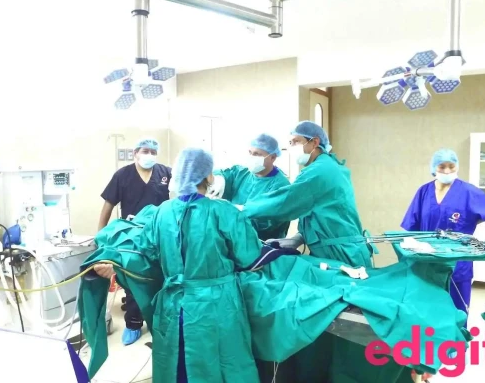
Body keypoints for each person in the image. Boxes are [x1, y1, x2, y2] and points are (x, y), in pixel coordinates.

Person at [95, 148, 262, 383]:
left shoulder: (161, 212)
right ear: (208, 176)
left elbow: (144, 255)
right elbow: (249, 255)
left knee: (176, 365)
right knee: (222, 363)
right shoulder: (224, 212)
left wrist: (116, 265)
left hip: (174, 307)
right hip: (216, 306)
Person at [239, 121, 371, 268]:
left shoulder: (319, 171)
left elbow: (286, 202)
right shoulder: (325, 166)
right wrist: (299, 238)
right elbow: (321, 213)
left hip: (342, 252)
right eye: (290, 143)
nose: (292, 147)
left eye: (296, 141)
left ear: (315, 142)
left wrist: (242, 209)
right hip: (335, 249)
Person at [401, 148, 485, 323]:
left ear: (457, 166)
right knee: (428, 309)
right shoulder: (424, 192)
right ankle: (430, 338)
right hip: (428, 260)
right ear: (434, 168)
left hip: (458, 262)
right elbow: (411, 225)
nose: (447, 171)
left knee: (457, 311)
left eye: (451, 166)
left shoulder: (467, 191)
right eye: (442, 167)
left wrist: (471, 221)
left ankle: (457, 340)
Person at [98, 137, 172, 346]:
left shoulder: (166, 173)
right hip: (132, 238)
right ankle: (133, 323)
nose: (149, 155)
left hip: (158, 236)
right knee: (133, 280)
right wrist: (101, 238)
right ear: (135, 153)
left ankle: (160, 321)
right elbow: (108, 206)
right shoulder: (122, 175)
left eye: (153, 152)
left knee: (160, 278)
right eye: (145, 151)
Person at [208, 133, 290, 241]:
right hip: (231, 238)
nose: (252, 157)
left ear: (273, 157)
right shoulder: (241, 173)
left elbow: (266, 223)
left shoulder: (281, 186)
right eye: (250, 153)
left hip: (259, 243)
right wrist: (219, 178)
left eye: (257, 154)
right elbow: (222, 173)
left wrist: (234, 212)